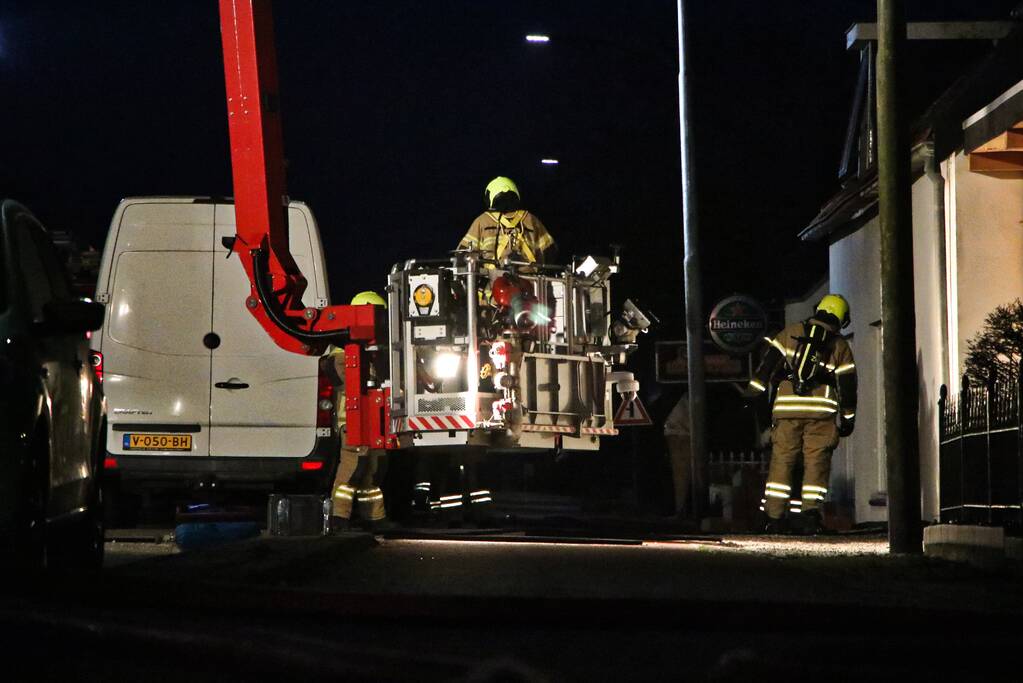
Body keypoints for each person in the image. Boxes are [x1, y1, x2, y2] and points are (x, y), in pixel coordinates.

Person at [746, 294, 857, 535]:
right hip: (821, 414)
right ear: (840, 318)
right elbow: (848, 386)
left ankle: (774, 517)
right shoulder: (839, 345)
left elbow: (763, 373)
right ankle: (810, 516)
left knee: (782, 462)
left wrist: (760, 412)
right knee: (816, 463)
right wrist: (848, 419)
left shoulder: (789, 334)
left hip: (786, 412)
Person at [327, 291, 389, 531]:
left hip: (373, 423)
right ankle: (339, 519)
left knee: (371, 474)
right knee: (351, 470)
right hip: (352, 422)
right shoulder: (343, 354)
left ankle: (375, 519)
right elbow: (356, 382)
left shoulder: (371, 353)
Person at [457, 176, 556, 265]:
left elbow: (462, 253)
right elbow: (550, 251)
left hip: (493, 280)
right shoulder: (530, 219)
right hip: (529, 281)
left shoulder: (483, 221)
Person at [663, 392, 692, 517]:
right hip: (681, 431)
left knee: (680, 473)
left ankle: (680, 509)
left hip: (678, 431)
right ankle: (681, 509)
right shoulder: (685, 399)